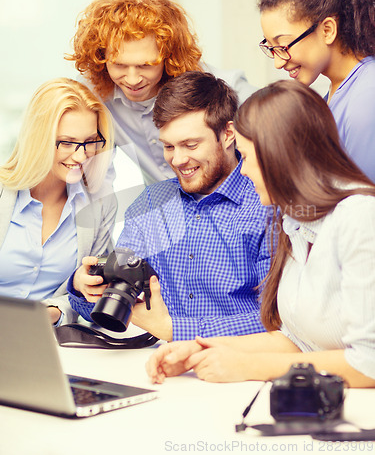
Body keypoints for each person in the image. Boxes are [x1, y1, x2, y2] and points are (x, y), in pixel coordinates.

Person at [145, 80, 375, 388]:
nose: (242, 171)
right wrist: (200, 350)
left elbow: (369, 363)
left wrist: (250, 365)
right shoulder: (295, 221)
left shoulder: (360, 218)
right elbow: (299, 341)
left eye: (248, 156)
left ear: (281, 155)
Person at [68, 71, 270, 341]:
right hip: (158, 365)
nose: (177, 160)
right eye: (169, 146)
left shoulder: (267, 205)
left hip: (240, 367)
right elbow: (114, 303)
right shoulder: (152, 203)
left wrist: (176, 330)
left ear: (228, 134)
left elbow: (280, 318)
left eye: (190, 144)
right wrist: (82, 286)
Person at [66, 0, 256, 186]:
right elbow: (94, 175)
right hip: (163, 212)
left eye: (146, 65)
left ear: (168, 55)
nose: (132, 79)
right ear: (102, 58)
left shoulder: (226, 89)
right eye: (119, 65)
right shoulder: (90, 95)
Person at [0, 78, 116, 325]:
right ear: (38, 138)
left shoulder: (101, 203)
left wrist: (60, 305)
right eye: (67, 142)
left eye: (90, 141)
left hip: (49, 341)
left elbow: (92, 301)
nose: (81, 155)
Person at [258, 0, 375, 182]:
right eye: (270, 48)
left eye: (282, 46)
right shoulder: (330, 98)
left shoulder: (366, 100)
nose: (278, 62)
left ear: (327, 30)